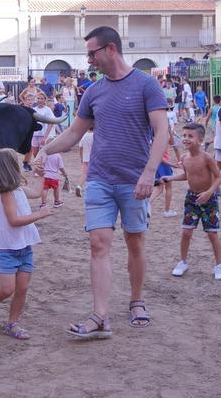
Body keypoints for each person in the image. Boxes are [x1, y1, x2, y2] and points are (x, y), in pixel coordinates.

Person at [35, 26, 169, 337]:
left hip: (135, 180)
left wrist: (150, 173)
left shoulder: (146, 85)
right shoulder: (93, 92)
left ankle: (137, 301)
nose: (89, 60)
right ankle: (100, 316)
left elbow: (162, 131)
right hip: (99, 180)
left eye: (91, 53)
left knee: (135, 243)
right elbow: (73, 133)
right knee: (98, 244)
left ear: (110, 49)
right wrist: (45, 149)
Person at [0, 148, 52, 340]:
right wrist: (39, 215)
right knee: (7, 289)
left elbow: (37, 192)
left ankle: (12, 323)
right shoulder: (6, 193)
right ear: (11, 169)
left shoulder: (17, 188)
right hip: (8, 248)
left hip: (25, 246)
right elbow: (14, 220)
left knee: (22, 288)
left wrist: (41, 175)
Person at [163, 123, 221, 280]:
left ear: (201, 140)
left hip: (209, 199)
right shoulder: (184, 158)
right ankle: (183, 262)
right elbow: (186, 176)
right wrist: (170, 178)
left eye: (190, 136)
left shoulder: (207, 158)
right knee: (186, 232)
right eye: (184, 135)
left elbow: (219, 177)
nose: (185, 138)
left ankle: (219, 265)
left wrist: (209, 192)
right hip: (191, 198)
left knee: (212, 233)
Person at [74, 125, 93, 197]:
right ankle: (90, 190)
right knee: (93, 175)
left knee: (84, 174)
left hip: (85, 158)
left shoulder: (84, 136)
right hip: (93, 158)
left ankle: (79, 186)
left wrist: (81, 158)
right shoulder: (96, 135)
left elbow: (81, 147)